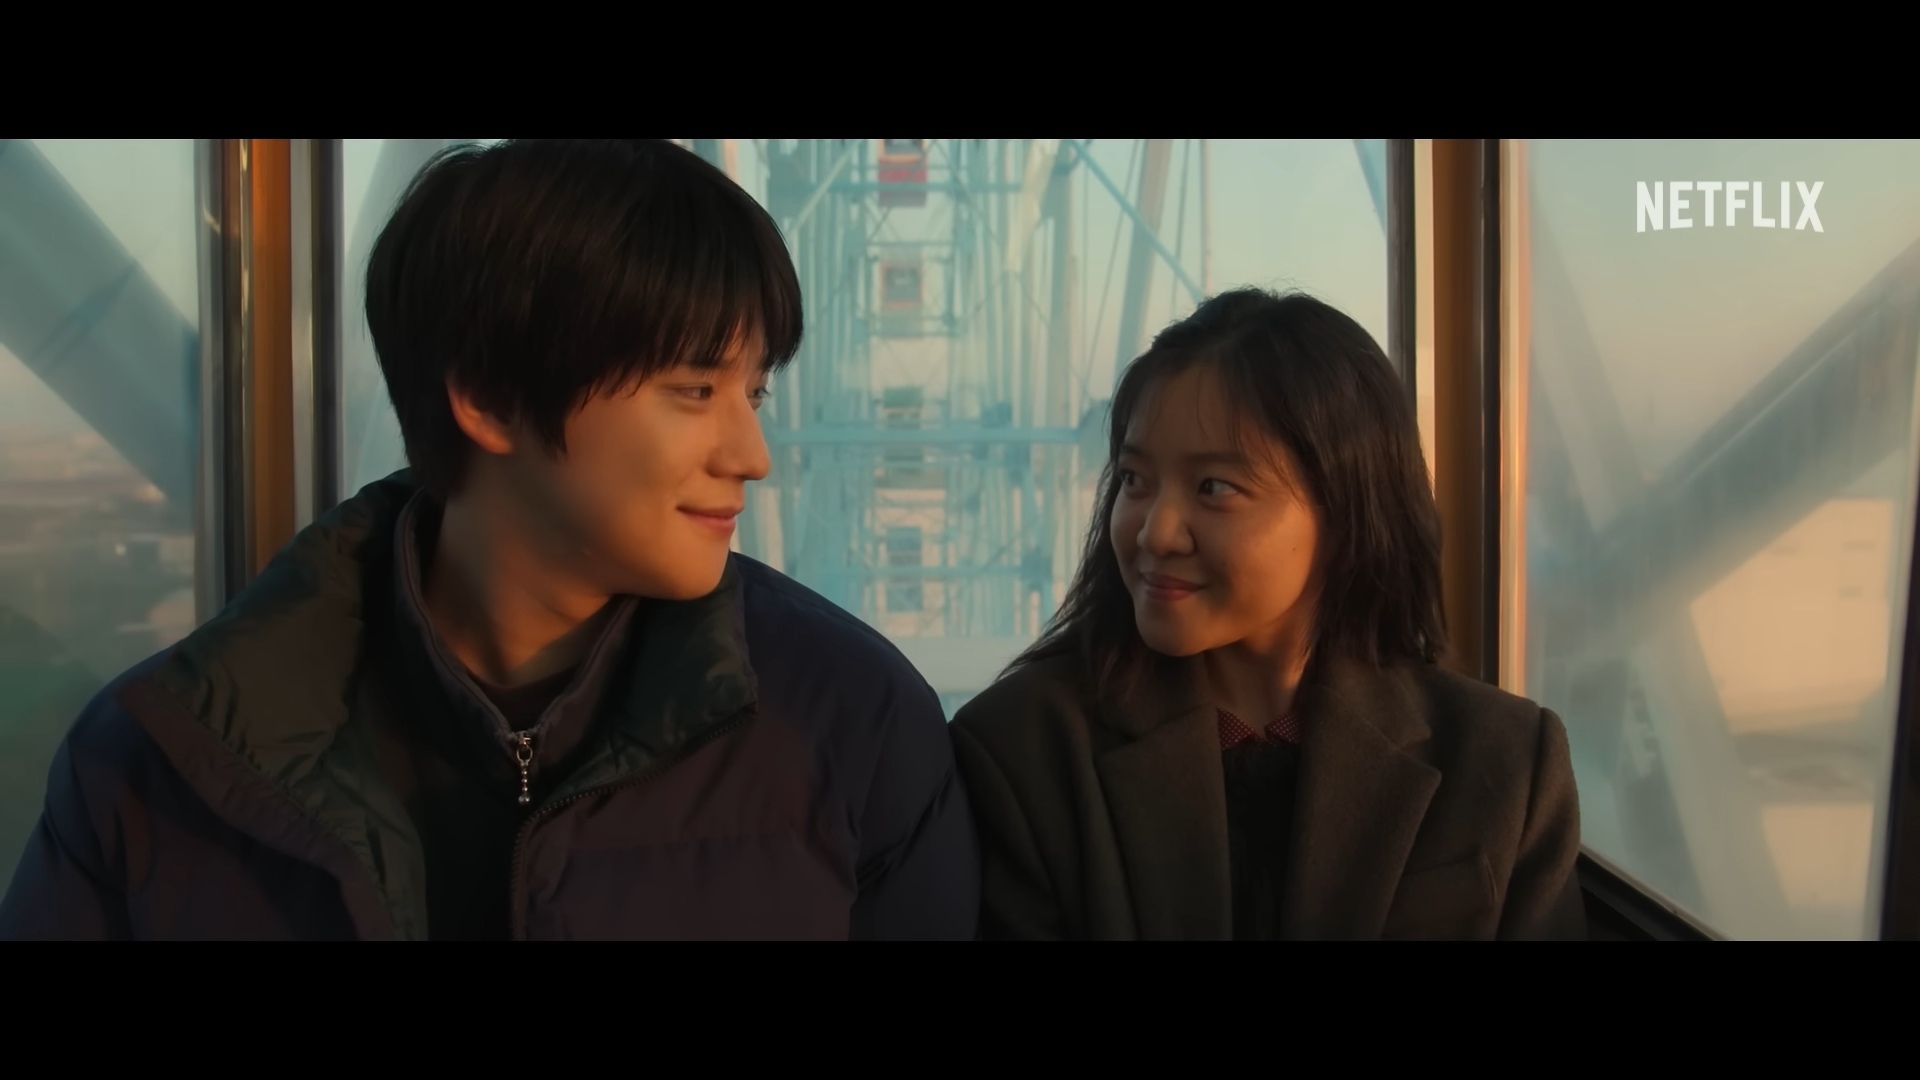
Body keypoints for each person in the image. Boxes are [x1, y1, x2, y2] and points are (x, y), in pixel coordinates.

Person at [0, 139, 978, 940]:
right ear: (490, 399)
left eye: (752, 393)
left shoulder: (854, 725)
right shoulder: (159, 764)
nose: (752, 455)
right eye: (694, 390)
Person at [949, 288, 1585, 940]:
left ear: (1348, 510)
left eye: (1214, 488)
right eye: (1135, 479)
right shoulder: (1023, 751)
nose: (1154, 532)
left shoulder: (1504, 762)